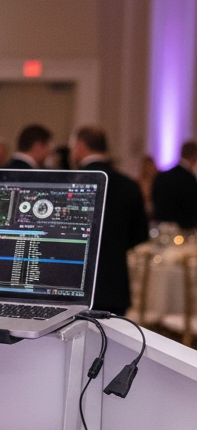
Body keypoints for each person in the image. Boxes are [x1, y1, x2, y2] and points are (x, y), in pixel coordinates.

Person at [71, 126, 148, 316]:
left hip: (75, 282)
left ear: (81, 146)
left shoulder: (73, 182)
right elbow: (140, 235)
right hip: (115, 285)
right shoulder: (128, 185)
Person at [151, 141, 197, 228]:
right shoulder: (189, 179)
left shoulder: (162, 176)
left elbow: (154, 199)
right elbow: (192, 206)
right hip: (183, 227)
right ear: (194, 156)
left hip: (161, 225)